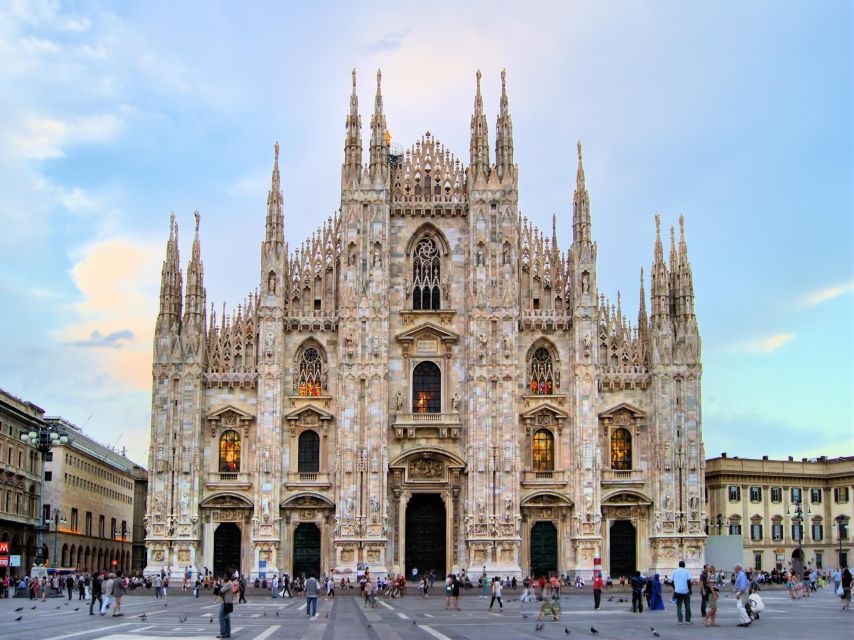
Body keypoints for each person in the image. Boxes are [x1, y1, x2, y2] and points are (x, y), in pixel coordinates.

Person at [671, 560, 692, 624]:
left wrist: (675, 588)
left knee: (679, 606)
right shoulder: (687, 571)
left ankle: (680, 620)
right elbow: (689, 581)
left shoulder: (674, 571)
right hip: (685, 591)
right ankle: (687, 620)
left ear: (679, 565)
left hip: (677, 591)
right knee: (687, 606)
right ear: (684, 565)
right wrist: (690, 589)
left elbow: (672, 581)